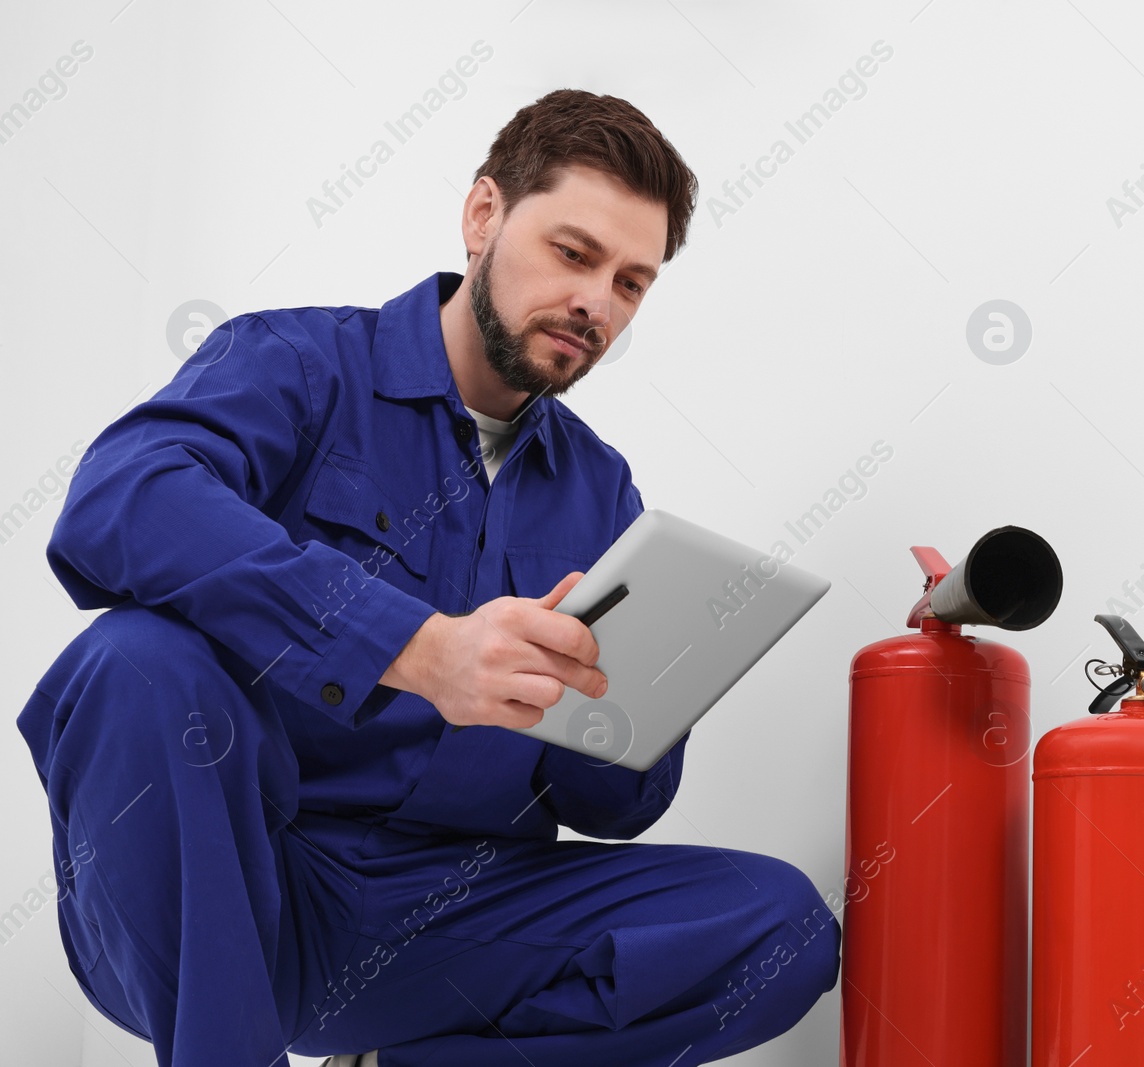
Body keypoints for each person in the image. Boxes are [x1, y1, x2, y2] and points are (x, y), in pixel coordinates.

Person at [16, 89, 841, 1067]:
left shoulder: (602, 490)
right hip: (236, 887)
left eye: (631, 282)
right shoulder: (299, 362)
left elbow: (620, 809)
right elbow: (120, 501)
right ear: (483, 215)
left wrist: (614, 695)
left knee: (780, 926)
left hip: (452, 920)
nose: (597, 303)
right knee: (134, 659)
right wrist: (417, 648)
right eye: (574, 254)